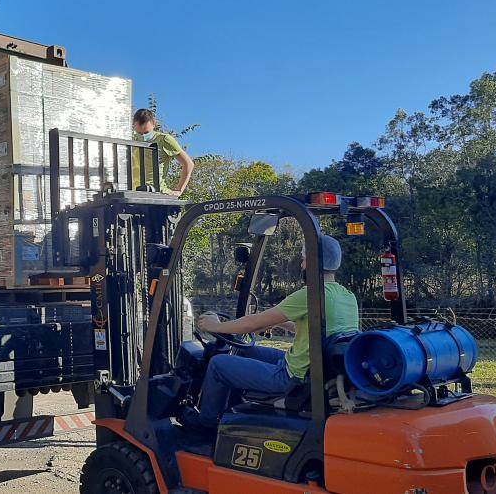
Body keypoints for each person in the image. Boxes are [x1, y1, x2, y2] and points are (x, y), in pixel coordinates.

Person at [182, 234, 359, 431]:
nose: (302, 265)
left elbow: (252, 323)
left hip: (292, 376)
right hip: (312, 368)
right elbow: (320, 332)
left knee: (217, 364)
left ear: (312, 260)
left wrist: (214, 326)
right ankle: (234, 415)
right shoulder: (346, 295)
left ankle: (206, 424)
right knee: (245, 351)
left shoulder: (311, 294)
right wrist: (282, 324)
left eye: (303, 260)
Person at [131, 109, 194, 197]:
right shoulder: (132, 140)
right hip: (134, 193)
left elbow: (188, 164)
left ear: (154, 124)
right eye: (139, 133)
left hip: (157, 193)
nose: (143, 136)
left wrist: (179, 190)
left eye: (146, 132)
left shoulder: (164, 139)